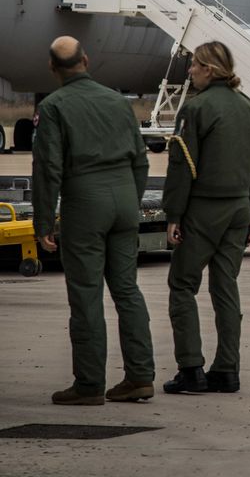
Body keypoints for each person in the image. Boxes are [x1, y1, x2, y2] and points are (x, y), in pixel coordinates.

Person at [32, 36, 155, 405]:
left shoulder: (54, 106)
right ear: (86, 60)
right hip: (123, 198)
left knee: (86, 296)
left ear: (53, 68)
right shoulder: (118, 101)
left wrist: (43, 221)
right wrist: (129, 201)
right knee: (127, 290)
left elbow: (48, 168)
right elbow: (141, 160)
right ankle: (140, 376)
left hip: (85, 202)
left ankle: (88, 383)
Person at [162, 41, 250, 394]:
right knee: (225, 287)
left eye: (194, 66)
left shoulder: (196, 108)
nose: (190, 72)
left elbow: (182, 166)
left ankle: (191, 370)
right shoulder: (249, 109)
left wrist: (173, 214)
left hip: (204, 210)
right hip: (238, 209)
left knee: (182, 286)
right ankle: (227, 370)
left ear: (208, 68)